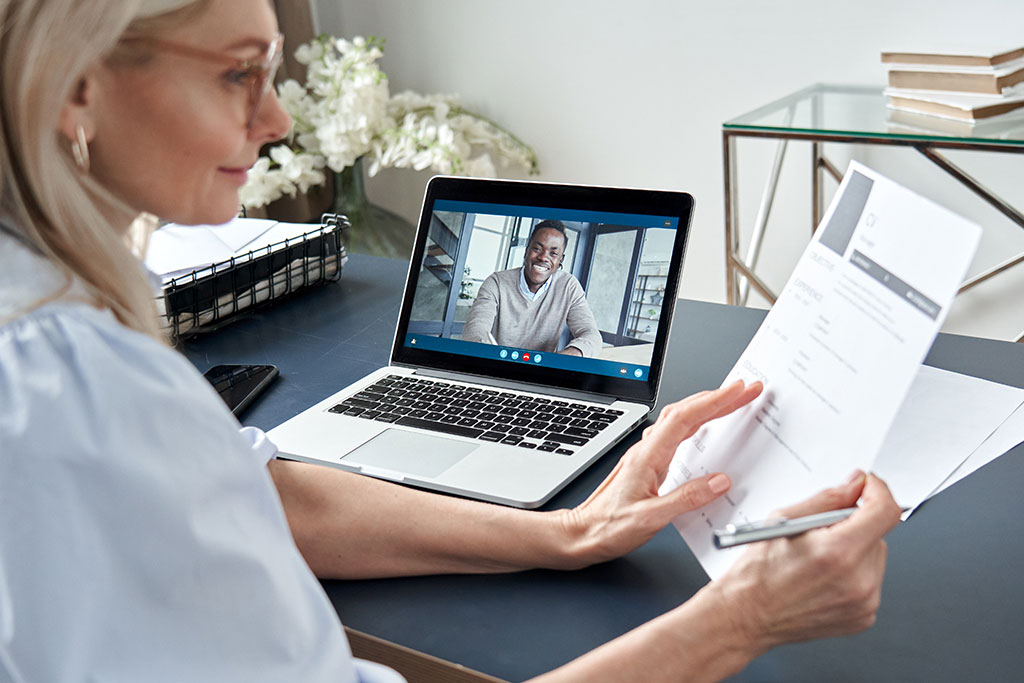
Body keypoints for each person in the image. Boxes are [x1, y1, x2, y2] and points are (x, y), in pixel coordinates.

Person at [0, 1, 902, 681]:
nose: (275, 121)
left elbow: (266, 494)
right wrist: (741, 620)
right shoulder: (72, 387)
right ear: (78, 81)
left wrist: (566, 530)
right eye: (241, 73)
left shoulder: (49, 317)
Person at [462, 219, 602, 357]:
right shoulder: (496, 282)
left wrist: (572, 353)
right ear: (526, 251)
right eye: (537, 249)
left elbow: (591, 334)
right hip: (495, 366)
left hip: (540, 373)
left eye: (553, 253)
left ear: (560, 260)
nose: (543, 257)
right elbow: (475, 329)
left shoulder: (569, 287)